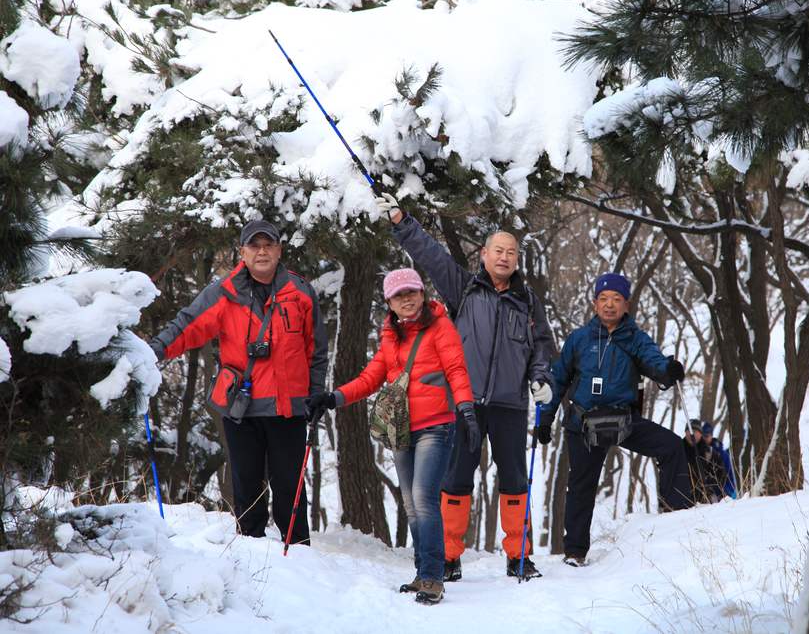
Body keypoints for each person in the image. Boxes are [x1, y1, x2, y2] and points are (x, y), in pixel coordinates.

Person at [374, 193, 555, 581]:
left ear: (517, 259)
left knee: (514, 481)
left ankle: (518, 556)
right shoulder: (464, 289)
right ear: (485, 255)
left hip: (509, 404)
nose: (504, 257)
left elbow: (542, 347)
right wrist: (401, 221)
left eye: (511, 252)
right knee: (456, 480)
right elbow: (431, 256)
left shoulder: (528, 301)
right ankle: (450, 557)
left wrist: (541, 378)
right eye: (498, 250)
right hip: (463, 402)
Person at [149, 219, 327, 546]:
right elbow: (188, 325)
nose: (262, 252)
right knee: (246, 486)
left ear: (279, 250)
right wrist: (155, 350)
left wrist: (316, 396)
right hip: (240, 407)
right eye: (254, 246)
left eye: (268, 245)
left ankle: (299, 552)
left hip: (288, 407)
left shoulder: (301, 292)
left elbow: (316, 350)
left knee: (290, 487)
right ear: (242, 252)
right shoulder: (224, 292)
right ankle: (249, 550)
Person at [308, 268, 477, 605]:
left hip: (436, 425)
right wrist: (334, 397)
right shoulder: (390, 336)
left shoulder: (440, 326)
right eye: (399, 296)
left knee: (424, 498)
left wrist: (466, 407)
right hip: (401, 427)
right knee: (412, 506)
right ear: (389, 302)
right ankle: (422, 573)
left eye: (412, 292)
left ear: (422, 293)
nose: (407, 299)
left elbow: (457, 369)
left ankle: (433, 577)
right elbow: (371, 378)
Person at [537, 273, 691, 567]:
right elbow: (557, 380)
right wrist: (545, 419)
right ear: (595, 303)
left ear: (626, 304)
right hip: (583, 424)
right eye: (604, 299)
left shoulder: (635, 338)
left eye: (616, 299)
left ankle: (676, 521)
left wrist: (668, 371)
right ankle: (574, 553)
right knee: (581, 486)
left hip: (623, 421)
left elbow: (653, 361)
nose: (609, 305)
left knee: (672, 447)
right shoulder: (579, 339)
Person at [701, 421, 737, 499]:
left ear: (711, 436)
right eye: (704, 436)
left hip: (724, 491)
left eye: (707, 436)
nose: (705, 438)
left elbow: (729, 473)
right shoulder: (699, 451)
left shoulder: (721, 453)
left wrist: (728, 491)